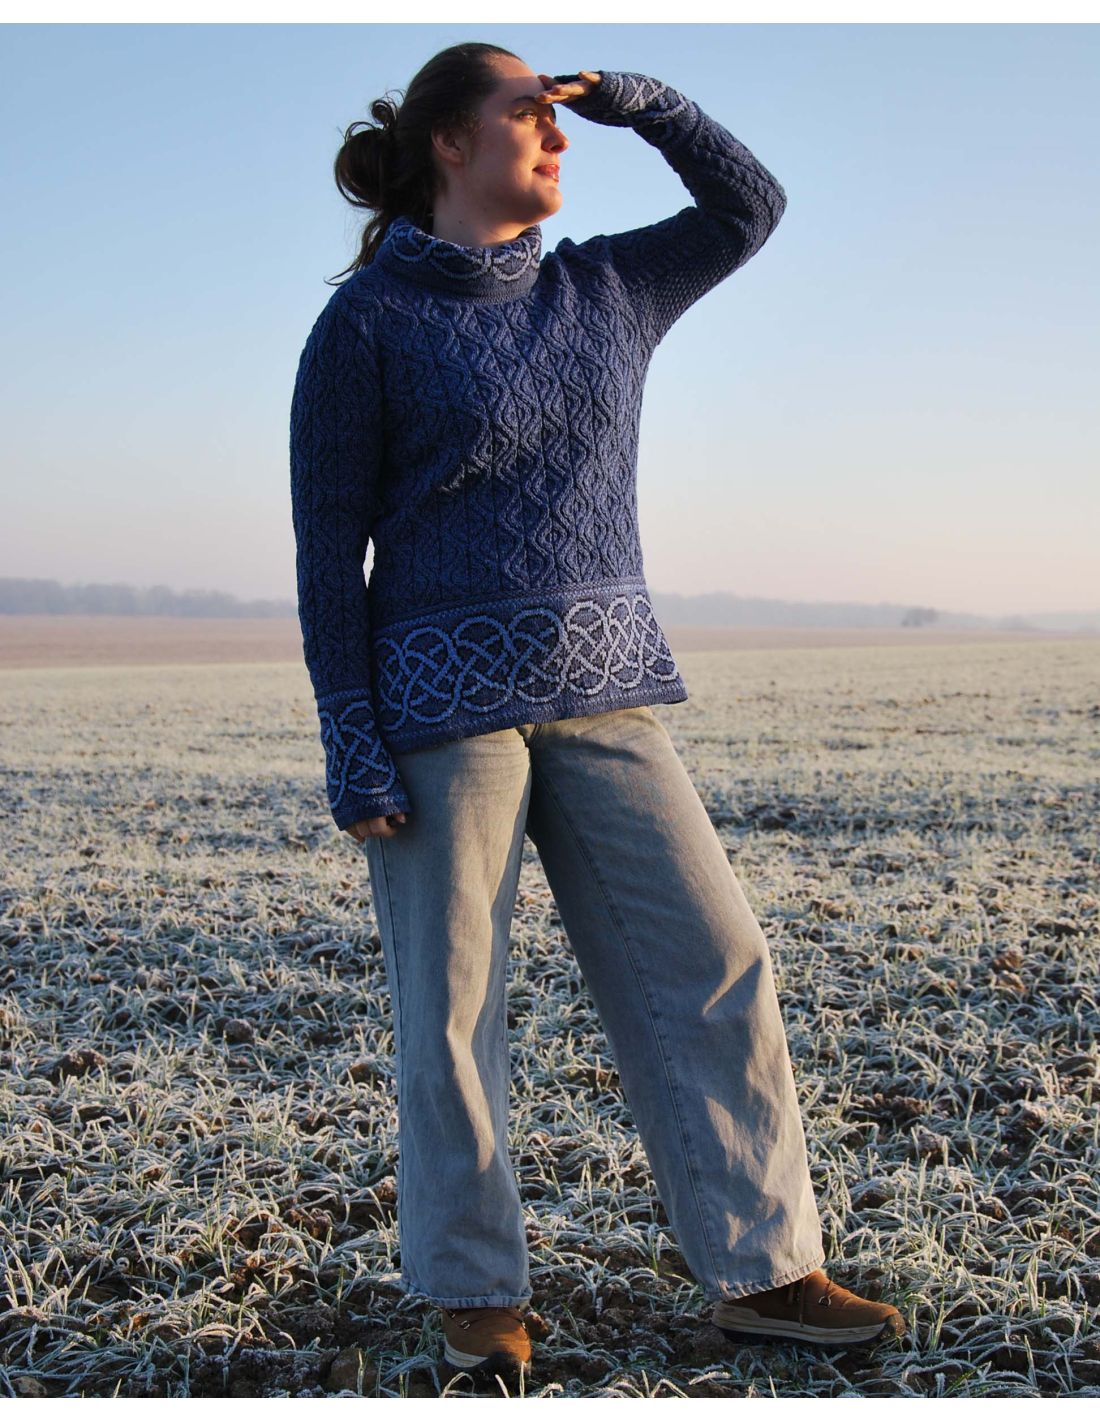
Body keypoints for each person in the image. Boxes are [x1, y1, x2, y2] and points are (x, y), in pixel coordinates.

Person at [289, 41, 908, 1382]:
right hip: (441, 714)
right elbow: (329, 552)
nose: (556, 135)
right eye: (529, 114)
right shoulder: (365, 325)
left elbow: (749, 206)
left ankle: (766, 1267)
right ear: (449, 143)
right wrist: (351, 733)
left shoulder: (608, 289)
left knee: (718, 960)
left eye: (558, 117)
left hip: (608, 696)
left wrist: (646, 103)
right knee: (452, 1009)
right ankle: (474, 1292)